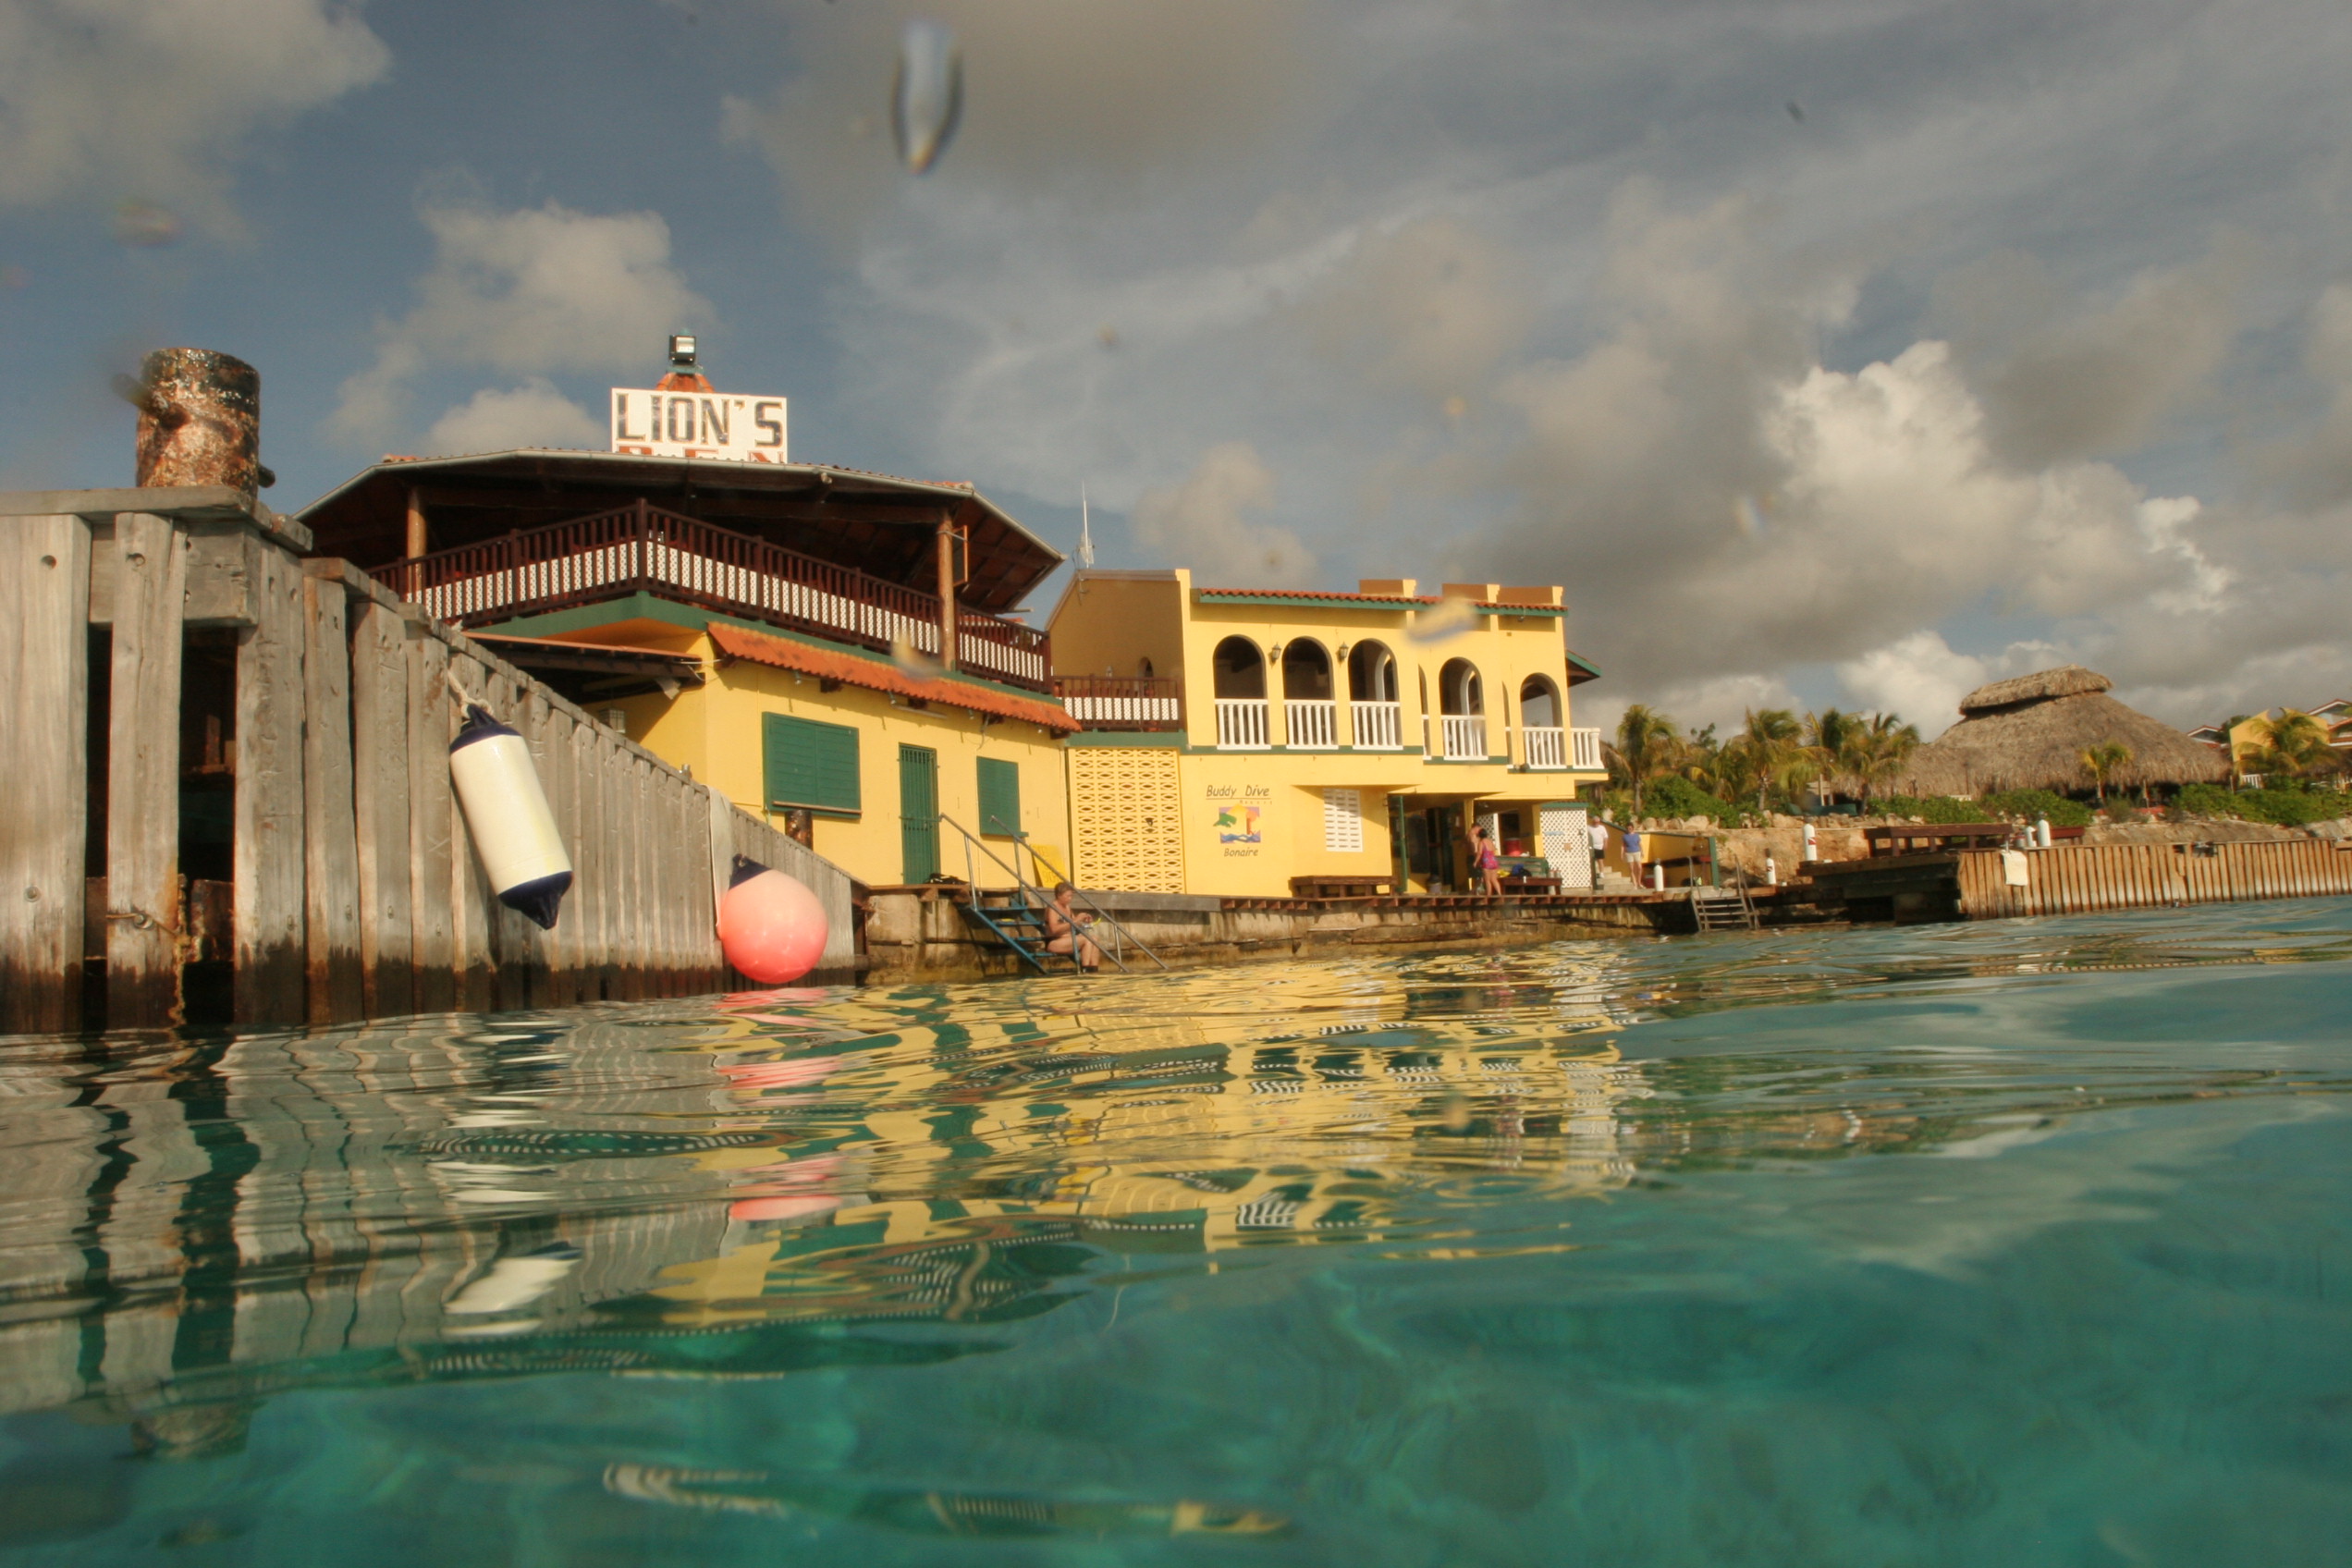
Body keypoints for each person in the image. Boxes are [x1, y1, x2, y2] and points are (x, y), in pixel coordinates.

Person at [1043, 881, 1101, 973]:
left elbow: (1075, 923)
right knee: (1087, 940)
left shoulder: (1067, 907)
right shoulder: (1053, 908)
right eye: (1068, 896)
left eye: (1071, 896)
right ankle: (1085, 970)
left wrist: (1084, 920)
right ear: (1059, 895)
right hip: (1054, 942)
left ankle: (1093, 969)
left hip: (1070, 939)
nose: (1070, 899)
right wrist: (1076, 920)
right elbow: (1054, 929)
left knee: (1095, 939)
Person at [1468, 823, 1504, 896]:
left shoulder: (1481, 842)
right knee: (1494, 880)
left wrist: (1475, 862)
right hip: (1494, 862)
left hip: (1486, 862)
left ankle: (1488, 895)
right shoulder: (1490, 841)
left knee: (1487, 880)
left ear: (1479, 835)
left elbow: (1479, 853)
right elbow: (1494, 850)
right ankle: (1500, 894)